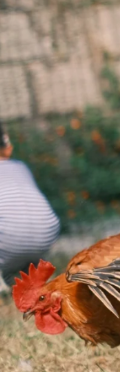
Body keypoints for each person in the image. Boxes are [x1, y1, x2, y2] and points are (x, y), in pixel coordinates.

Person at [0, 123, 60, 293]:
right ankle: (29, 278)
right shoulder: (21, 167)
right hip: (44, 238)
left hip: (9, 241)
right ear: (7, 146)